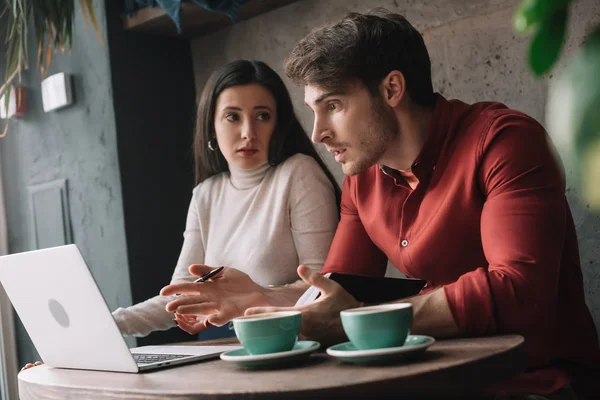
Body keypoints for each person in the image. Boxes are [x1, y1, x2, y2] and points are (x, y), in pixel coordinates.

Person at [161, 10, 600, 399]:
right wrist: (263, 296)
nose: (318, 134)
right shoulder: (361, 180)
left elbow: (519, 292)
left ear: (392, 88)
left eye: (332, 106)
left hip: (537, 382)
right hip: (435, 380)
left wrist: (357, 318)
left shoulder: (504, 141)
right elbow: (337, 291)